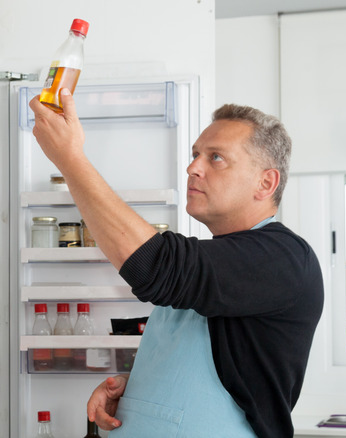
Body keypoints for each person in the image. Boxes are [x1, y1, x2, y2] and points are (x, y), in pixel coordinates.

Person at [29, 88, 323, 438]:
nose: (192, 167)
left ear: (266, 182)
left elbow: (155, 265)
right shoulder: (216, 262)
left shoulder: (283, 258)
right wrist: (134, 393)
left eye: (216, 158)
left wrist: (69, 157)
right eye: (195, 154)